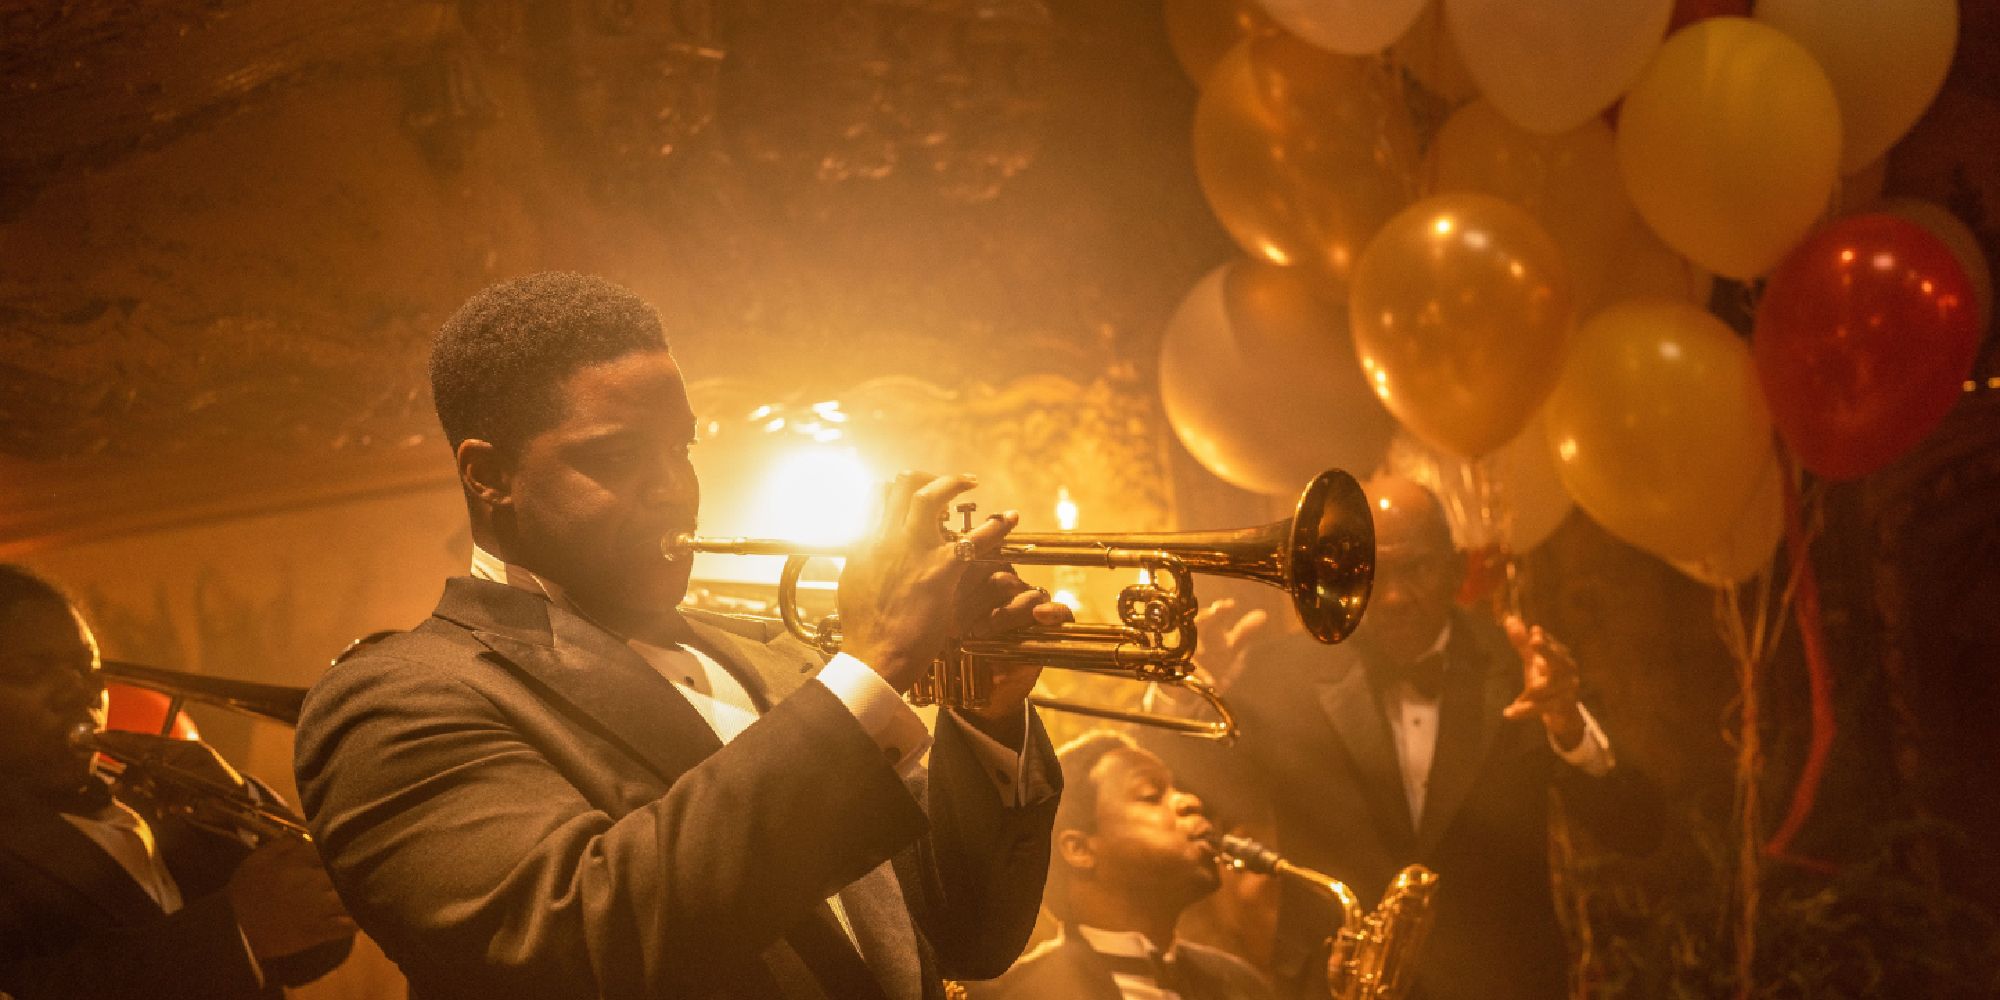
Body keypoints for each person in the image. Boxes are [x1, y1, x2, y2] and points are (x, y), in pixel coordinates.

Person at [292, 271, 1072, 1000]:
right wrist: (876, 662)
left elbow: (969, 938)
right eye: (619, 456)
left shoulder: (776, 656)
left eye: (682, 448)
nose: (676, 491)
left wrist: (984, 716)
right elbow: (575, 946)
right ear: (489, 476)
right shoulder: (397, 699)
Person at [1149, 475, 1664, 1000]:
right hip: (1331, 985)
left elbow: (1639, 827)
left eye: (1415, 568)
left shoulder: (1520, 669)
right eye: (1373, 573)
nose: (1393, 597)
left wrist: (1570, 729)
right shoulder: (1280, 672)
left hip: (1500, 985)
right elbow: (1198, 793)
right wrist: (1187, 692)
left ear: (1455, 569)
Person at [0, 565, 355, 1000]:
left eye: (88, 668)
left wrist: (243, 804)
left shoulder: (159, 802)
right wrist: (237, 932)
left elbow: (314, 949)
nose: (79, 691)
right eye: (30, 672)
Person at [969, 730, 1276, 1000]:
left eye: (1176, 789)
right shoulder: (1015, 995)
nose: (1191, 801)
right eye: (1151, 795)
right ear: (1078, 849)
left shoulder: (1241, 983)